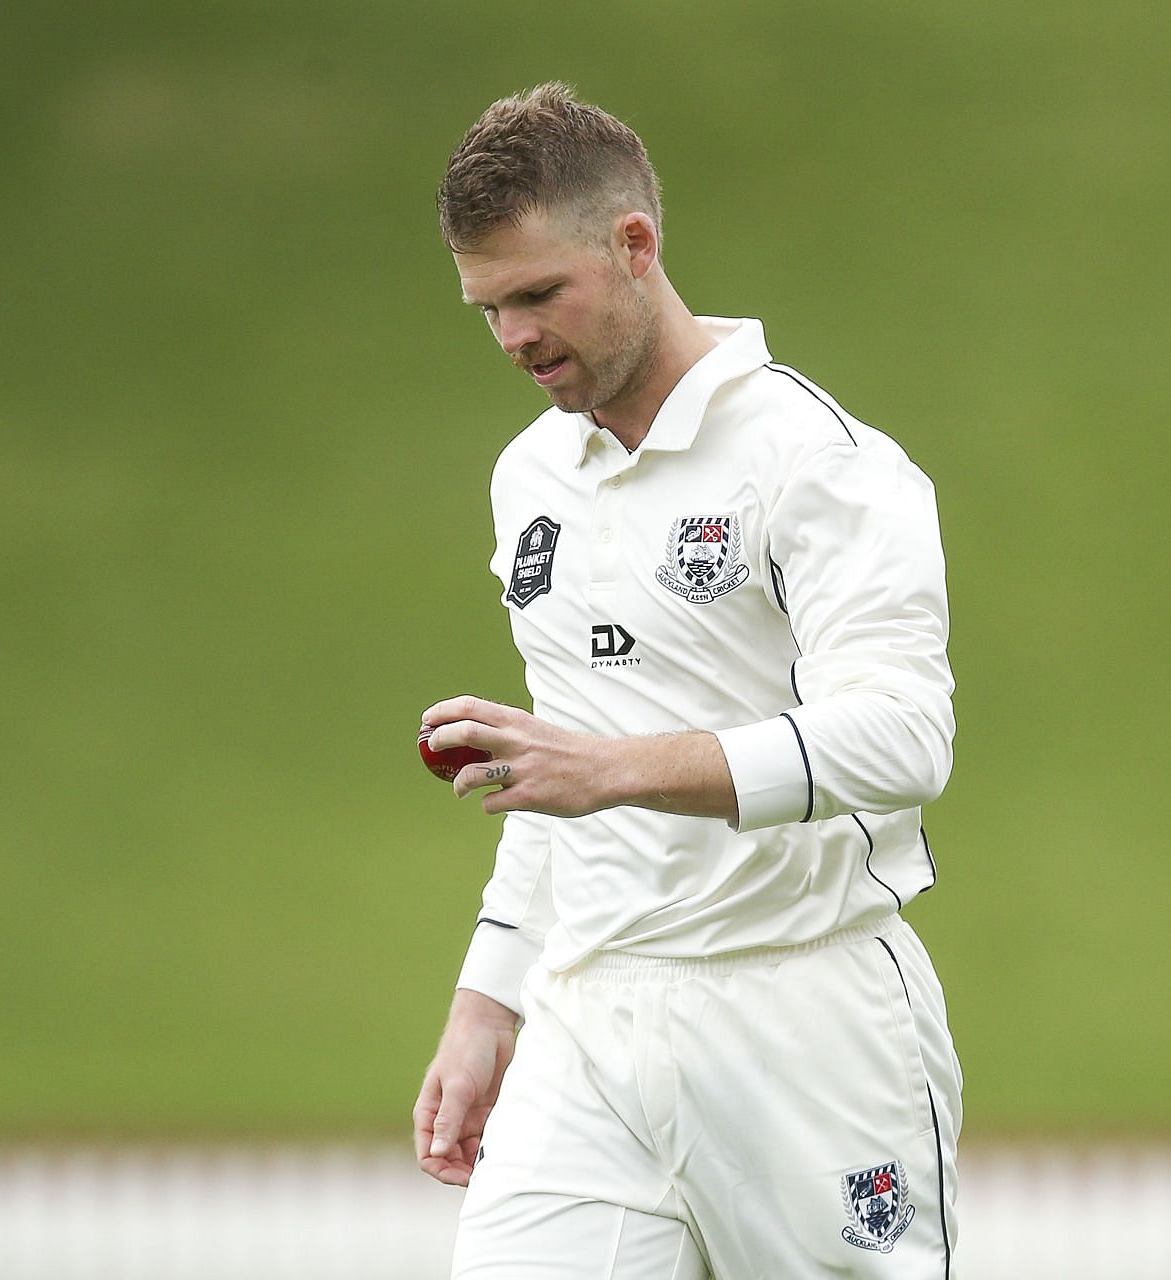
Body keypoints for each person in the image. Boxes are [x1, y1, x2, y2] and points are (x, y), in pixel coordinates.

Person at [413, 83, 962, 1279]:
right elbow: (555, 778)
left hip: (806, 1015)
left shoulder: (817, 461)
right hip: (591, 1018)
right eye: (488, 307)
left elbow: (905, 736)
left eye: (537, 294)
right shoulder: (530, 479)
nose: (512, 337)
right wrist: (489, 995)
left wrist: (614, 770)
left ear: (635, 244)